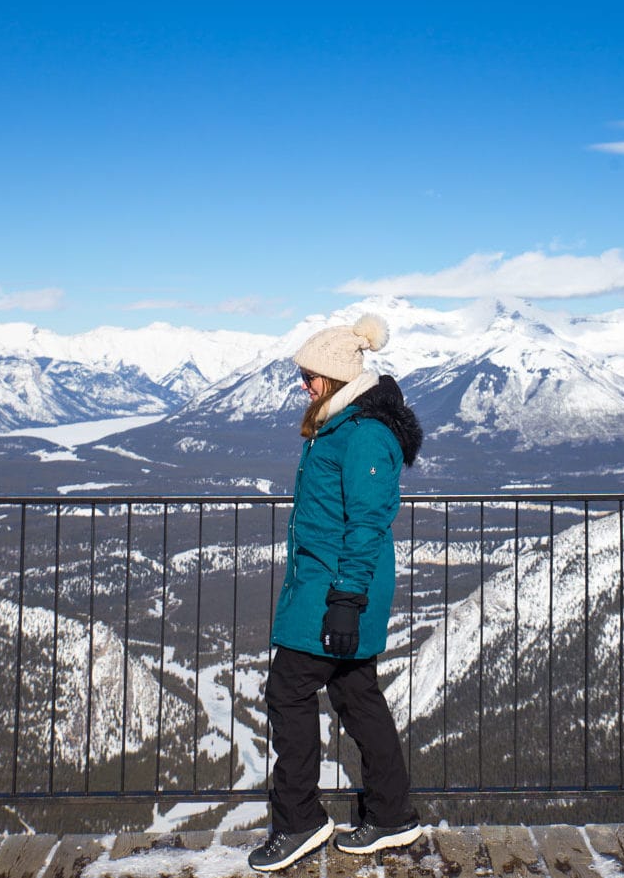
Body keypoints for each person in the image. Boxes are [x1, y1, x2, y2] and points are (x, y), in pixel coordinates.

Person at [248, 313, 423, 873]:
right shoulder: (339, 422)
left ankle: (299, 820)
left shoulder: (364, 433)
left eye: (311, 376)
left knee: (288, 691)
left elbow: (367, 524)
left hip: (334, 591)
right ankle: (392, 815)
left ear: (339, 376)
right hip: (325, 585)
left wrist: (345, 601)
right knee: (356, 695)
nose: (304, 385)